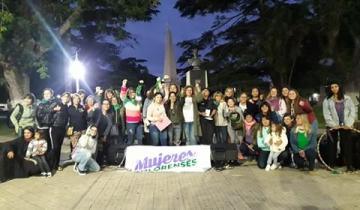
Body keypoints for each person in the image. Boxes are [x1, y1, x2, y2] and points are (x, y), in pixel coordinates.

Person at [322, 81, 356, 171]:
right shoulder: (327, 100)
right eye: (332, 87)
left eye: (336, 86)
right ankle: (331, 165)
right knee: (331, 145)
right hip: (332, 125)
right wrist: (333, 125)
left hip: (346, 125)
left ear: (339, 87)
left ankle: (349, 165)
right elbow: (326, 114)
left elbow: (352, 111)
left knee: (347, 145)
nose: (334, 88)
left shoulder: (347, 99)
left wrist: (348, 124)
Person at [49, 92, 70, 171]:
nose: (66, 98)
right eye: (64, 96)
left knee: (59, 147)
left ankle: (56, 164)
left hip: (62, 129)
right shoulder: (56, 104)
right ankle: (51, 164)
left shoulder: (66, 107)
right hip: (55, 127)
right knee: (55, 147)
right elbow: (48, 112)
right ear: (61, 97)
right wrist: (53, 110)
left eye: (67, 97)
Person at [120, 79, 144, 145]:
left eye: (133, 92)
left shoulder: (138, 101)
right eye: (130, 92)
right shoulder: (126, 101)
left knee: (140, 139)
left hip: (139, 123)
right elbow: (122, 95)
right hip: (130, 124)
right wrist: (124, 85)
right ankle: (128, 154)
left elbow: (138, 92)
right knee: (130, 140)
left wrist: (140, 85)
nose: (132, 93)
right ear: (128, 94)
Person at [92, 99, 114, 166]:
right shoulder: (97, 111)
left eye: (107, 104)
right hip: (95, 133)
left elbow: (110, 125)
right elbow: (92, 120)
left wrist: (104, 136)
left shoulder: (110, 114)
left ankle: (101, 163)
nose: (106, 105)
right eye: (104, 104)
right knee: (95, 149)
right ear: (101, 105)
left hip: (105, 134)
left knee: (103, 148)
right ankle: (95, 163)